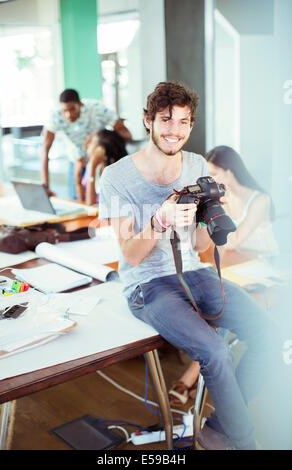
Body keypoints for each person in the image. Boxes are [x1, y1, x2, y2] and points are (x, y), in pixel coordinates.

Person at [98, 81, 274, 450]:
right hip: (148, 285)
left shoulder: (195, 164)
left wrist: (210, 218)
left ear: (191, 125)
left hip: (195, 272)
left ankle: (220, 428)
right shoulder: (116, 177)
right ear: (148, 121)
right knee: (215, 352)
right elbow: (130, 255)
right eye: (165, 120)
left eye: (183, 122)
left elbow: (197, 245)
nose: (174, 131)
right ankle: (245, 442)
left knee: (271, 334)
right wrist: (160, 219)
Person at [168, 145, 279, 407]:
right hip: (238, 267)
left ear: (229, 172)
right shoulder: (223, 200)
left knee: (222, 311)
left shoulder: (259, 200)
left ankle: (192, 379)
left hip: (266, 273)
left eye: (215, 172)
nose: (211, 179)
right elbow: (213, 243)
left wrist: (213, 212)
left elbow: (234, 239)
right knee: (217, 307)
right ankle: (204, 383)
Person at [41, 88, 131, 199]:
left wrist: (99, 134)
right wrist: (45, 186)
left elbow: (127, 135)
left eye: (72, 109)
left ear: (80, 104)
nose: (68, 115)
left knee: (106, 201)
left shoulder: (97, 109)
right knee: (78, 203)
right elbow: (45, 150)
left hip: (102, 163)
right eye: (65, 111)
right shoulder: (55, 117)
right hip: (78, 163)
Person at [81, 129, 128, 205]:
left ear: (100, 150)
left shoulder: (114, 175)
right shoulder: (97, 167)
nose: (86, 147)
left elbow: (91, 204)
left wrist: (92, 166)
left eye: (91, 143)